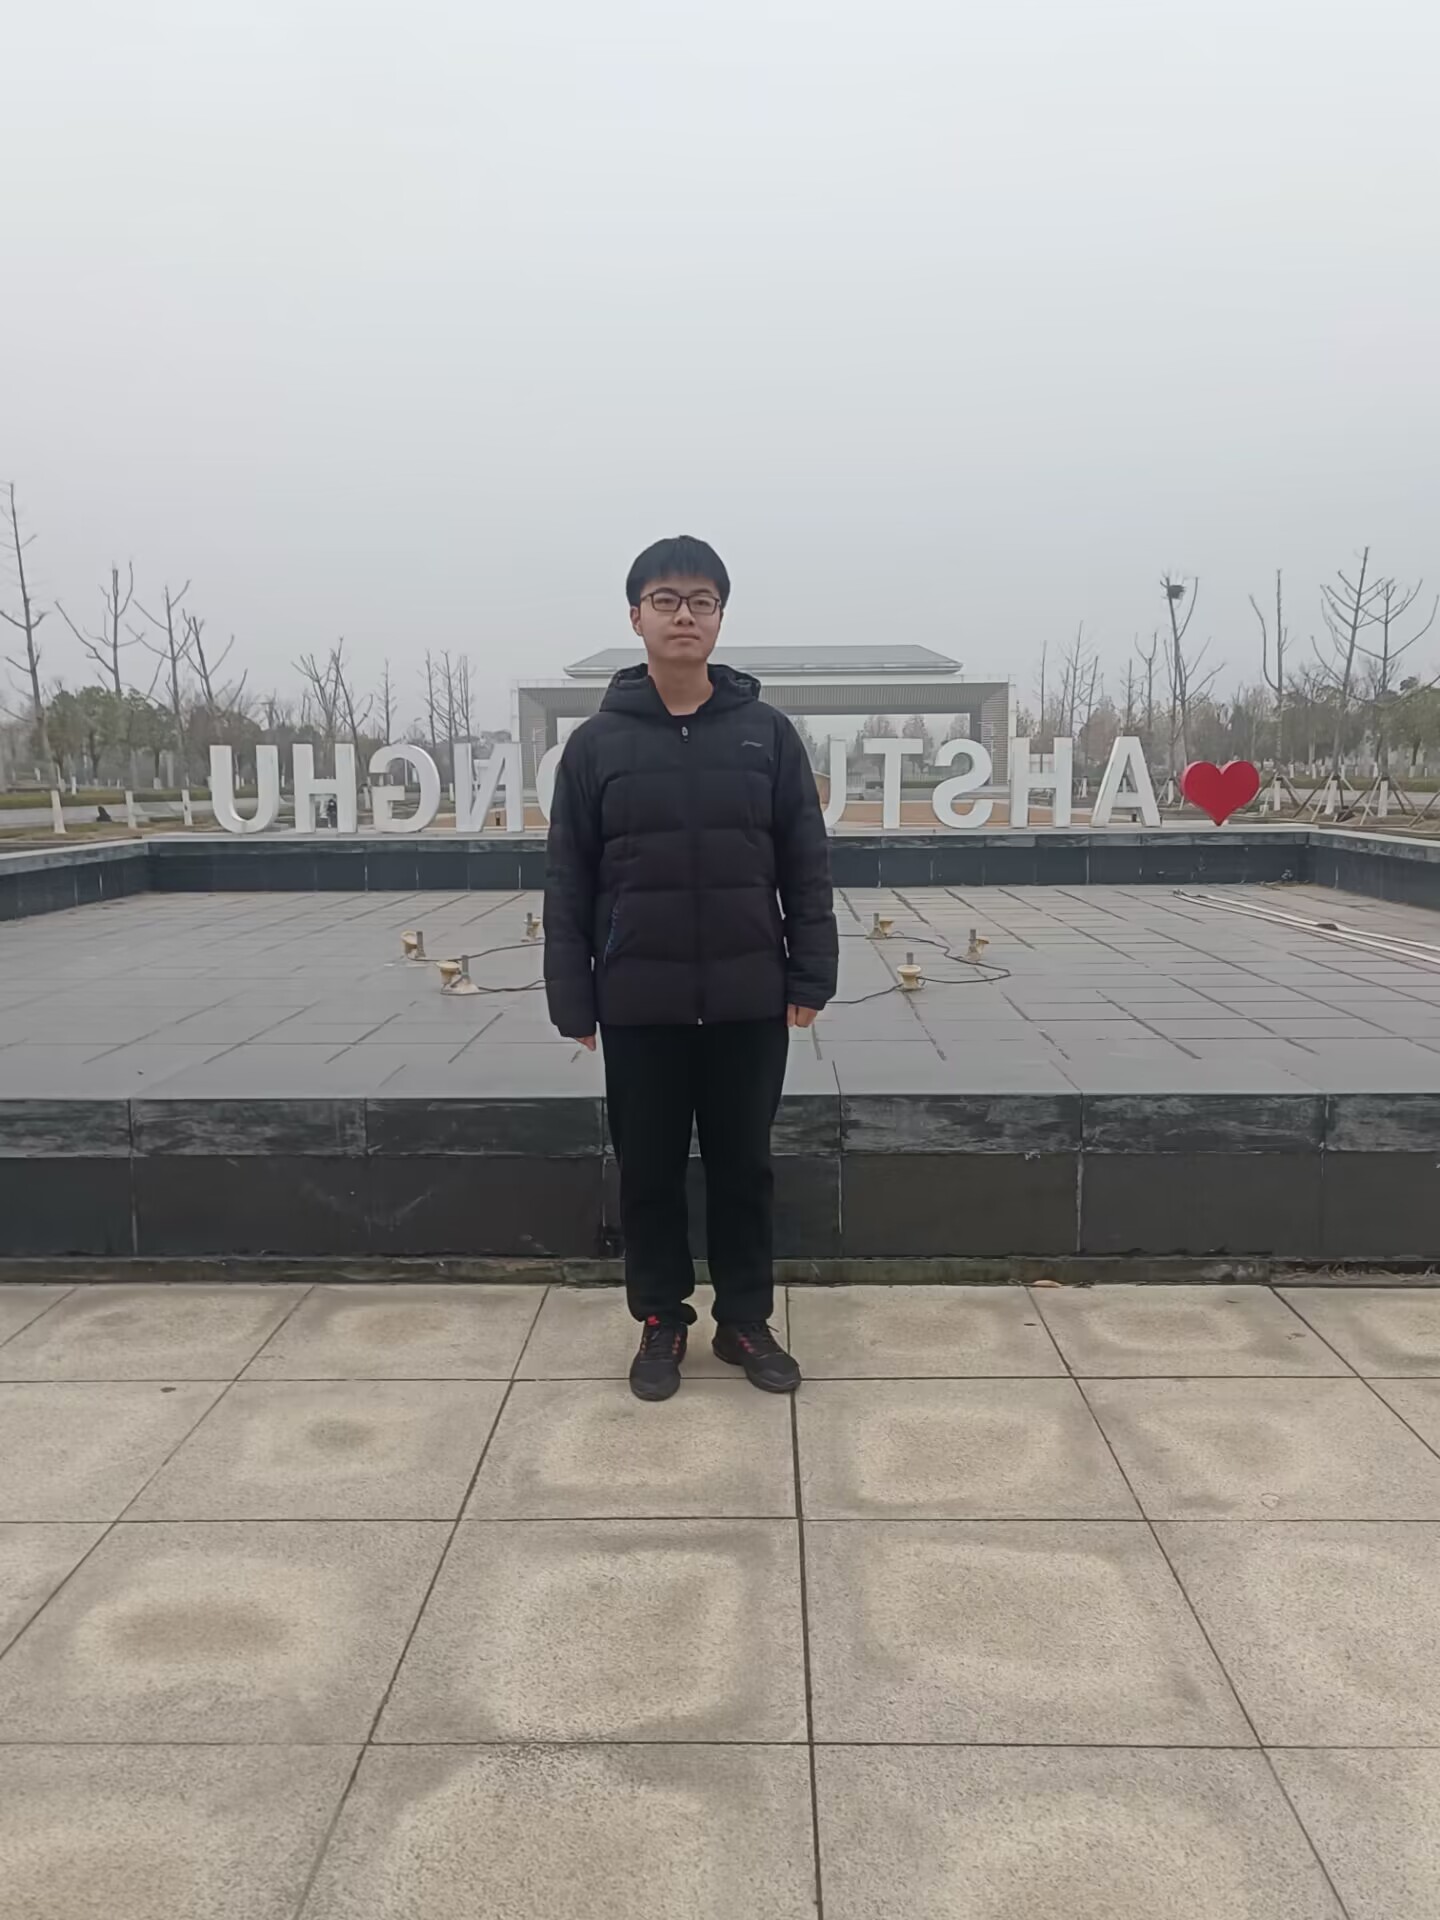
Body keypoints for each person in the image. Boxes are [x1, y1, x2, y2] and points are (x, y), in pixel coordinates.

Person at [544, 535, 838, 1401]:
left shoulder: (765, 735)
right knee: (650, 1172)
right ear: (636, 616)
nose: (684, 615)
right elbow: (569, 879)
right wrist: (572, 996)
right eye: (666, 600)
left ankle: (745, 1320)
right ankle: (660, 1319)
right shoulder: (596, 746)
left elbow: (805, 863)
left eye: (701, 601)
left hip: (748, 1000)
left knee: (745, 1168)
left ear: (719, 618)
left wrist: (810, 973)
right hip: (640, 1001)